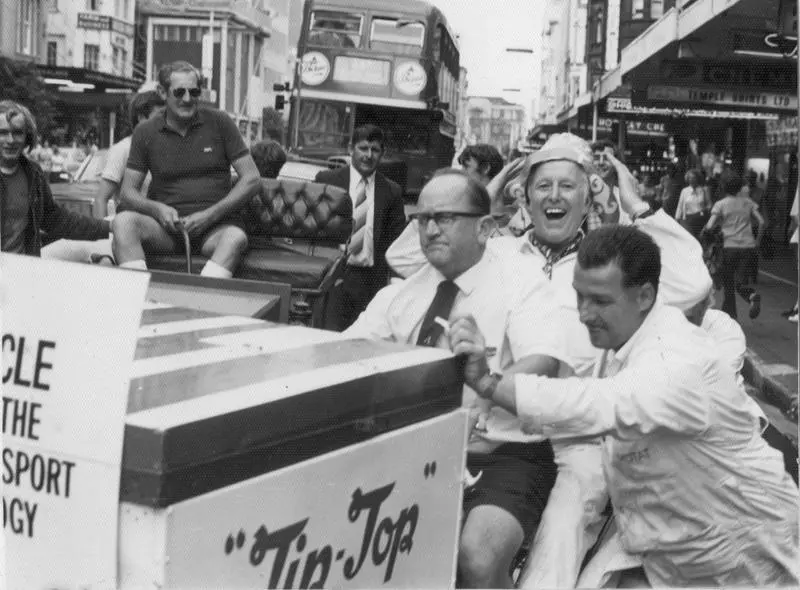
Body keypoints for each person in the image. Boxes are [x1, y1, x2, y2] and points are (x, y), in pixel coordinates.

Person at [391, 133, 712, 589]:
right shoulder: (494, 248)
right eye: (543, 186)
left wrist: (637, 207)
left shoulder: (610, 261)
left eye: (568, 185)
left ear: (589, 196)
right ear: (524, 194)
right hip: (495, 433)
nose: (555, 196)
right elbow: (405, 257)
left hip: (577, 439)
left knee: (552, 557)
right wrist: (486, 193)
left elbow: (692, 284)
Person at [453, 224, 800, 588]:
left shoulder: (676, 358)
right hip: (672, 538)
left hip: (745, 556)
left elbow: (599, 404)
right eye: (579, 296)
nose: (584, 313)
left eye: (600, 301)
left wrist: (489, 384)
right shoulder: (631, 341)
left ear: (645, 296)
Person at [346, 169, 570, 588]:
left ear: (485, 228)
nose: (430, 230)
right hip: (414, 449)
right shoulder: (402, 294)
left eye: (445, 218)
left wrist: (486, 385)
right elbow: (344, 354)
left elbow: (543, 361)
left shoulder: (522, 284)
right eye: (423, 219)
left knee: (478, 559)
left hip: (503, 452)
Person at [112, 61, 261, 279]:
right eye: (179, 92)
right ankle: (136, 302)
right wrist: (157, 210)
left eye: (194, 92)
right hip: (166, 230)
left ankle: (203, 302)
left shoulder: (220, 122)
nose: (187, 99)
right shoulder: (145, 132)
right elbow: (127, 192)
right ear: (162, 93)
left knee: (235, 238)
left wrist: (208, 216)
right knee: (123, 223)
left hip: (215, 228)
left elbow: (252, 179)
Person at [42, 90, 166, 264]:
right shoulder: (123, 149)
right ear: (141, 117)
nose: (165, 120)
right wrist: (102, 241)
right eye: (160, 114)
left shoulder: (165, 150)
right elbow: (101, 199)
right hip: (123, 231)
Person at [314, 124, 406, 330]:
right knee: (330, 338)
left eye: (375, 150)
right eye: (363, 148)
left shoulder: (392, 191)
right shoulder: (327, 181)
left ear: (382, 153)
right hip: (334, 276)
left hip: (371, 282)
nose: (368, 155)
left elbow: (397, 241)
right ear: (350, 148)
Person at [0, 100, 110, 255]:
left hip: (22, 271)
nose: (10, 140)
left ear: (27, 137)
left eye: (17, 132)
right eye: (2, 133)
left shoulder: (33, 174)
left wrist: (107, 227)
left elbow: (55, 219)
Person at [702, 173, 764, 320]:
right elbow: (761, 222)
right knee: (740, 281)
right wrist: (757, 241)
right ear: (739, 188)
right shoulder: (748, 202)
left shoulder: (721, 204)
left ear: (724, 188)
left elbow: (710, 226)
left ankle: (730, 317)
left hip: (728, 247)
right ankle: (751, 295)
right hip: (748, 247)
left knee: (728, 283)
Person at [674, 168, 710, 239]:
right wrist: (677, 218)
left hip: (700, 218)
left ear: (698, 179)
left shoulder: (704, 189)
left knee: (699, 239)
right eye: (690, 178)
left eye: (694, 178)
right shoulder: (684, 191)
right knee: (690, 238)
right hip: (687, 219)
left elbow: (709, 205)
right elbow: (680, 206)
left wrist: (705, 209)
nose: (691, 180)